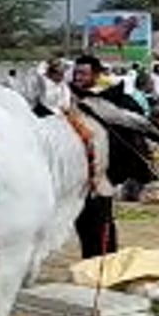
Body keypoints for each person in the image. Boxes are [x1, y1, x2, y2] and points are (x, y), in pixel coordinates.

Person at [67, 55, 135, 259]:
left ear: (96, 75)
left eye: (83, 74)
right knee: (83, 225)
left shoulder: (112, 100)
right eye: (76, 73)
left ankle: (106, 264)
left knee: (101, 224)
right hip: (78, 175)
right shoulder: (69, 98)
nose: (78, 78)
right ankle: (89, 263)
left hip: (102, 175)